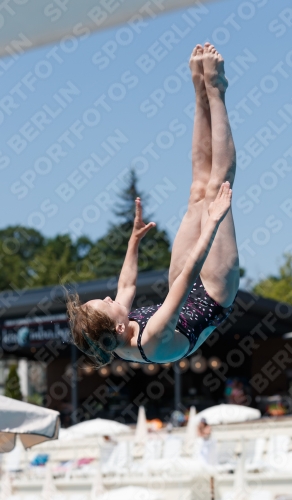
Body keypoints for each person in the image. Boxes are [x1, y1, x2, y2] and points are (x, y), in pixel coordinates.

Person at [67, 43, 239, 365]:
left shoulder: (114, 328)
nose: (109, 297)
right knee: (218, 186)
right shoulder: (153, 338)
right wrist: (212, 222)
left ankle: (200, 93)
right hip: (214, 294)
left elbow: (127, 283)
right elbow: (188, 278)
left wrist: (133, 241)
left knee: (197, 190)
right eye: (106, 302)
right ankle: (217, 89)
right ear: (118, 326)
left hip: (186, 286)